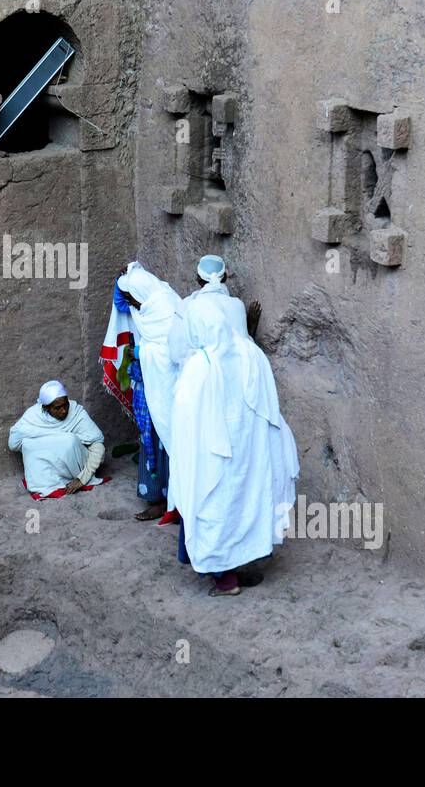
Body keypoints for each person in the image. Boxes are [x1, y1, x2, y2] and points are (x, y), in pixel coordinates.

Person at [167, 299, 300, 597]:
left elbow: (186, 417)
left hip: (212, 458)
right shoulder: (250, 353)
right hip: (249, 453)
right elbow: (269, 408)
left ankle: (226, 580)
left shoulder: (199, 365)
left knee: (212, 510)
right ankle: (237, 568)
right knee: (243, 507)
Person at [116, 261, 182, 521]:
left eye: (132, 298)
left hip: (168, 390)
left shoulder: (166, 308)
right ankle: (156, 498)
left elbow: (170, 352)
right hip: (149, 387)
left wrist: (140, 352)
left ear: (142, 292)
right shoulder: (146, 309)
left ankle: (176, 502)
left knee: (171, 443)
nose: (131, 303)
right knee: (150, 441)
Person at [8, 380, 106, 497]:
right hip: (52, 472)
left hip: (80, 467)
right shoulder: (34, 416)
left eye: (66, 404)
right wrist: (49, 438)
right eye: (57, 408)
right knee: (28, 443)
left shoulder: (76, 413)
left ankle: (74, 478)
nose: (64, 410)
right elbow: (14, 444)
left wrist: (82, 479)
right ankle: (49, 481)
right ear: (46, 408)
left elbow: (99, 445)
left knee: (69, 440)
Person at [167, 254, 262, 369]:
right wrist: (250, 327)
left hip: (202, 380)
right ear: (225, 277)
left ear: (198, 279)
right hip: (234, 381)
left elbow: (176, 353)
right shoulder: (237, 305)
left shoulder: (187, 306)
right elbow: (244, 351)